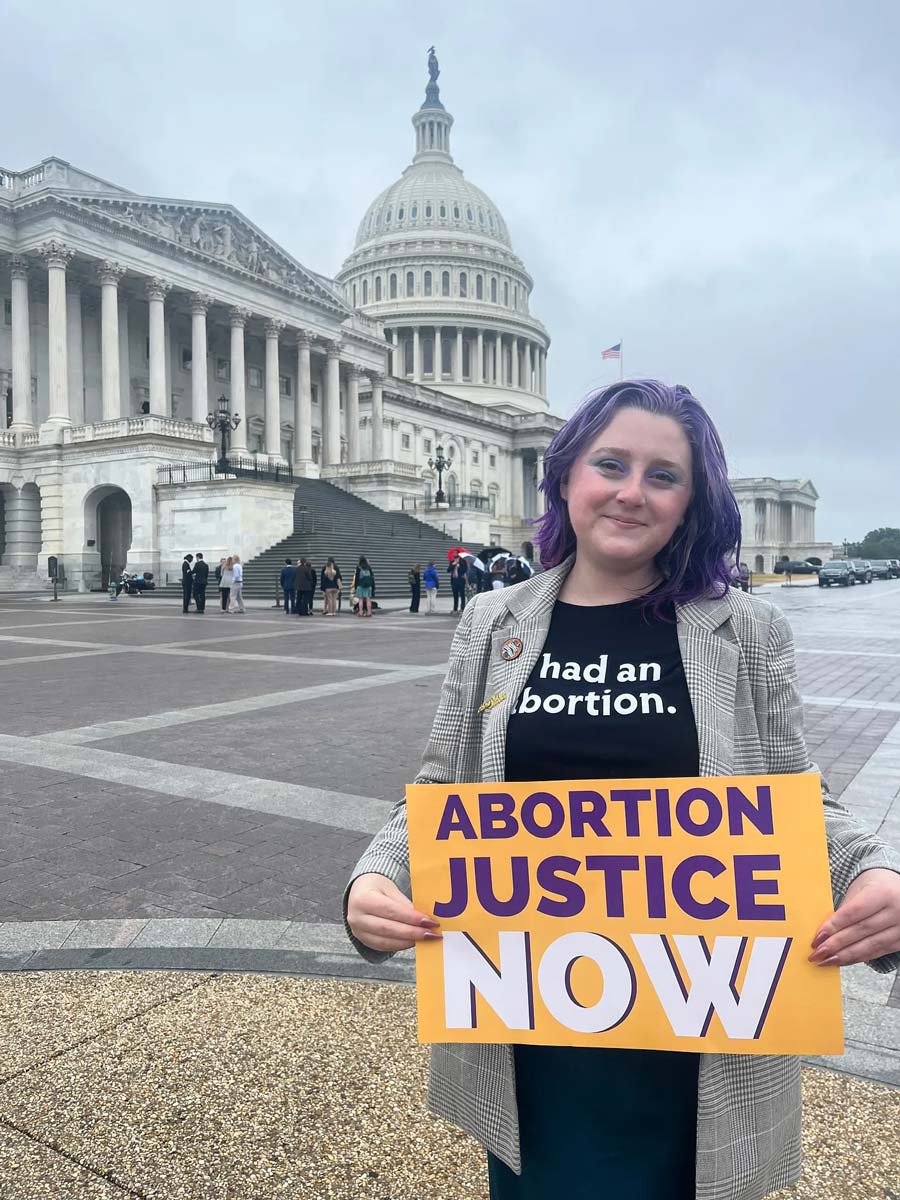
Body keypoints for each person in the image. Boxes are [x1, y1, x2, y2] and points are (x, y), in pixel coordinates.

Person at [345, 379, 900, 1200]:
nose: (631, 492)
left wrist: (873, 875)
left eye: (663, 475)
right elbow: (440, 785)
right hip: (529, 1024)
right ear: (565, 477)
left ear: (691, 503)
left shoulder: (745, 628)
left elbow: (793, 791)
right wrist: (372, 877)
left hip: (697, 1028)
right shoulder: (492, 622)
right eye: (610, 464)